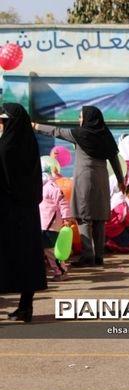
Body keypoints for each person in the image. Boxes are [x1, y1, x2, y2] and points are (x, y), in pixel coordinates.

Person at [33, 105, 125, 267]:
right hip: (101, 179)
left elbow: (56, 131)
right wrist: (120, 180)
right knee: (98, 218)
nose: (79, 120)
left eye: (81, 116)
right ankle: (98, 256)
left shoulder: (79, 134)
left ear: (88, 118)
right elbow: (114, 160)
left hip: (84, 179)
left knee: (83, 217)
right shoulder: (105, 135)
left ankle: (87, 256)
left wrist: (36, 126)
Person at [0, 103, 47, 322]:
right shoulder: (30, 144)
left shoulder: (5, 146)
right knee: (27, 258)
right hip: (28, 211)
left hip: (7, 212)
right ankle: (25, 307)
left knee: (5, 258)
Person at [39, 156, 74, 281]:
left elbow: (63, 203)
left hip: (51, 224)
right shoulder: (41, 187)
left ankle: (61, 271)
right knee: (46, 249)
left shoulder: (52, 187)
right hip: (43, 224)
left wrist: (66, 218)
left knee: (51, 251)